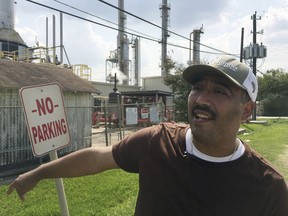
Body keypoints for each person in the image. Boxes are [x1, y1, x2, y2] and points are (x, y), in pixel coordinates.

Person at [6, 56, 288, 215]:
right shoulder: (157, 143)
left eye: (219, 91)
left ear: (247, 110)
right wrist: (38, 173)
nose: (201, 98)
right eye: (198, 87)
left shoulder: (268, 187)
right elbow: (96, 158)